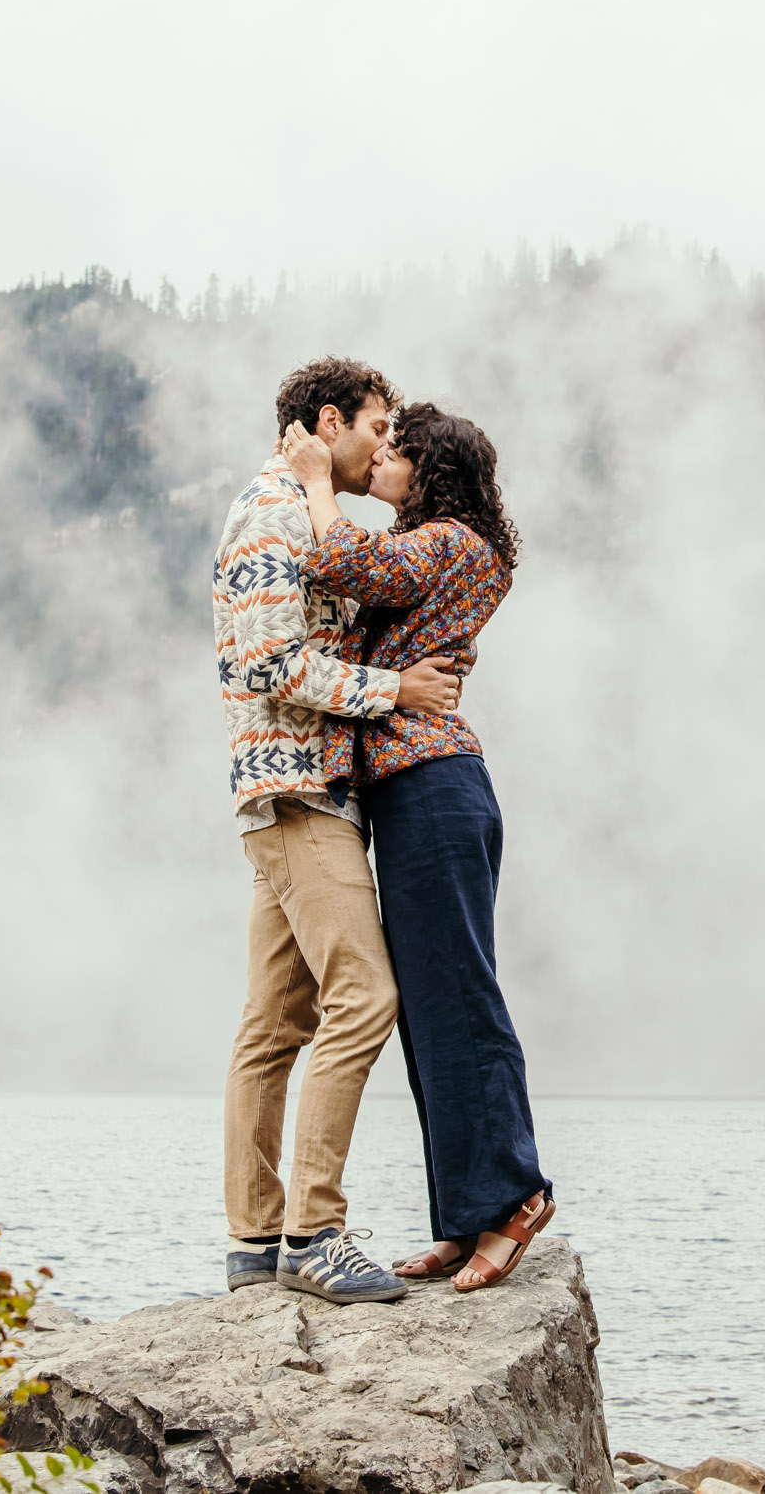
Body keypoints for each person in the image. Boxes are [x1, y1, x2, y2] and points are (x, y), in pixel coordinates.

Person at [282, 401, 554, 1293]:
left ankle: (513, 1198)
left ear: (434, 469)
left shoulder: (454, 543)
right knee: (427, 1007)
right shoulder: (441, 547)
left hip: (436, 785)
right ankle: (463, 1213)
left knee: (460, 993)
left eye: (398, 451)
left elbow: (340, 557)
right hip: (409, 792)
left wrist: (319, 481)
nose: (382, 458)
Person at [212, 357, 467, 1304]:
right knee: (364, 996)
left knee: (275, 1024)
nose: (385, 447)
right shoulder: (272, 510)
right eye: (377, 428)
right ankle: (315, 1231)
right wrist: (391, 690)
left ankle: (253, 1243)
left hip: (293, 792)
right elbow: (271, 660)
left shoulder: (301, 505)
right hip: (298, 791)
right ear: (330, 420)